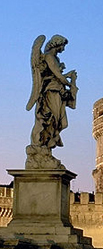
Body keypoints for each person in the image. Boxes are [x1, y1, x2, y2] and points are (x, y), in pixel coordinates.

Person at [26, 35, 78, 168]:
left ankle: (46, 148)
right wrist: (69, 82)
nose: (63, 49)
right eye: (63, 46)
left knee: (56, 121)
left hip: (57, 92)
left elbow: (57, 75)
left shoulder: (56, 58)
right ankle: (38, 146)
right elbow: (57, 74)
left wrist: (69, 77)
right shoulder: (49, 56)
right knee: (49, 118)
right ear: (57, 44)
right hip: (51, 92)